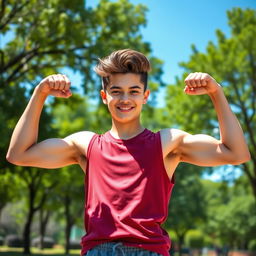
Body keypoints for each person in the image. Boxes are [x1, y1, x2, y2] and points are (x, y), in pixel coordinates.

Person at [6, 49, 250, 256]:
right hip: (97, 250)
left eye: (134, 91)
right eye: (116, 91)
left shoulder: (167, 143)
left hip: (147, 250)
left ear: (145, 97)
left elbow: (235, 153)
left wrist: (216, 92)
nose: (125, 98)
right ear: (104, 96)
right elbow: (19, 154)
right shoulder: (86, 145)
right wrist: (40, 93)